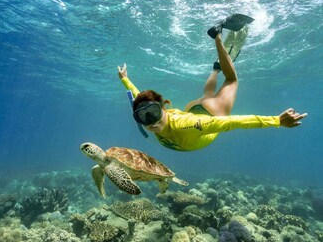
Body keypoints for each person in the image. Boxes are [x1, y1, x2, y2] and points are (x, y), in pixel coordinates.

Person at [117, 29, 307, 152]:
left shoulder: (189, 125)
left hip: (207, 113)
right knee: (210, 94)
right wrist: (125, 79)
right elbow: (136, 95)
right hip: (194, 109)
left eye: (153, 113)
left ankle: (218, 39)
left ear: (162, 108)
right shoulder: (162, 117)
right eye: (143, 116)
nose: (150, 122)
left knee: (232, 80)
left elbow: (233, 123)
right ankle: (216, 67)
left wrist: (276, 121)